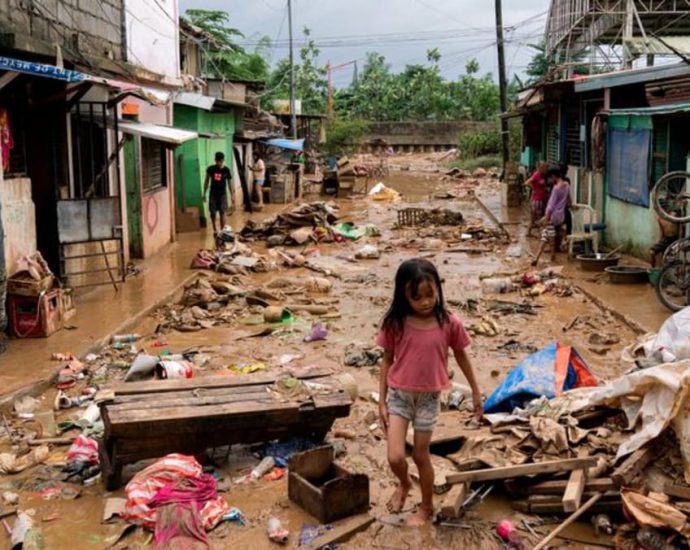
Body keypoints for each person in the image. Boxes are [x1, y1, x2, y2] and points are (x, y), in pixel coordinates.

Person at [377, 259, 482, 527]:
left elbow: (462, 357)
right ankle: (404, 483)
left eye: (430, 294)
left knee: (421, 455)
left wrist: (476, 392)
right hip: (399, 396)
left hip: (429, 399)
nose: (425, 302)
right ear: (404, 295)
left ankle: (426, 507)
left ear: (438, 289)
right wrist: (381, 401)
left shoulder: (448, 322)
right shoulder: (396, 323)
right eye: (417, 297)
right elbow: (387, 361)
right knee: (395, 456)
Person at [532, 166, 572, 266]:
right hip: (561, 216)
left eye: (550, 177)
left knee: (546, 237)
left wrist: (546, 217)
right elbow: (569, 200)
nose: (550, 180)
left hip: (553, 216)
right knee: (551, 235)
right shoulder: (566, 185)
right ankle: (539, 258)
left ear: (554, 176)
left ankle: (547, 258)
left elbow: (551, 205)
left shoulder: (556, 188)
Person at [203, 152, 232, 235]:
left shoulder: (226, 170)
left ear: (223, 160)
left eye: (220, 161)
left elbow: (230, 183)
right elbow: (206, 181)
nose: (219, 163)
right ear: (215, 160)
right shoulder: (211, 169)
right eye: (217, 161)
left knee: (223, 212)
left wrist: (232, 195)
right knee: (212, 212)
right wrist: (204, 193)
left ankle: (222, 231)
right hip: (213, 194)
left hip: (222, 194)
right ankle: (215, 229)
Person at [524, 161, 549, 235]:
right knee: (539, 218)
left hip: (541, 199)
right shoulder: (536, 175)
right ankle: (542, 235)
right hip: (537, 200)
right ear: (540, 168)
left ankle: (528, 233)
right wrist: (534, 188)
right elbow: (527, 182)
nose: (545, 169)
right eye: (544, 167)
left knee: (534, 218)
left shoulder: (544, 175)